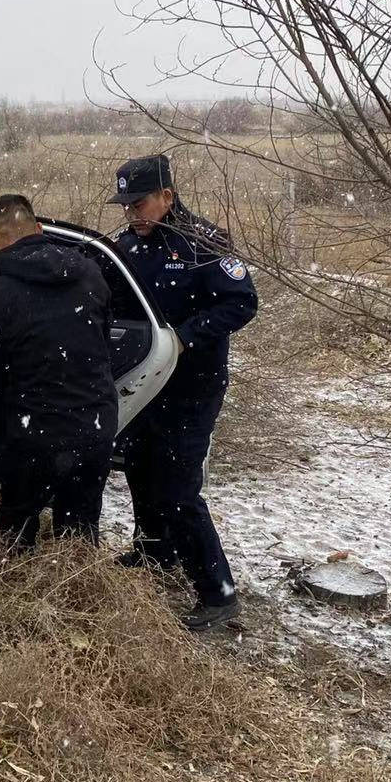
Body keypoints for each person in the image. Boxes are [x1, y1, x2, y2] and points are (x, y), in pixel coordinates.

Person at [109, 154, 257, 630]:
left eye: (141, 203)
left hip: (192, 386)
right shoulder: (126, 246)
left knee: (178, 487)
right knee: (139, 466)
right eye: (126, 205)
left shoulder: (203, 243)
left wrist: (186, 335)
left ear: (168, 197)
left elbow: (242, 302)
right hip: (143, 383)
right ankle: (155, 551)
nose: (133, 213)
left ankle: (217, 591)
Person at [0, 194, 118, 549]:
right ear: (39, 229)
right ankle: (80, 596)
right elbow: (103, 344)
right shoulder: (89, 273)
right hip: (95, 428)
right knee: (79, 534)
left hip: (33, 436)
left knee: (16, 527)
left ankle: (16, 589)